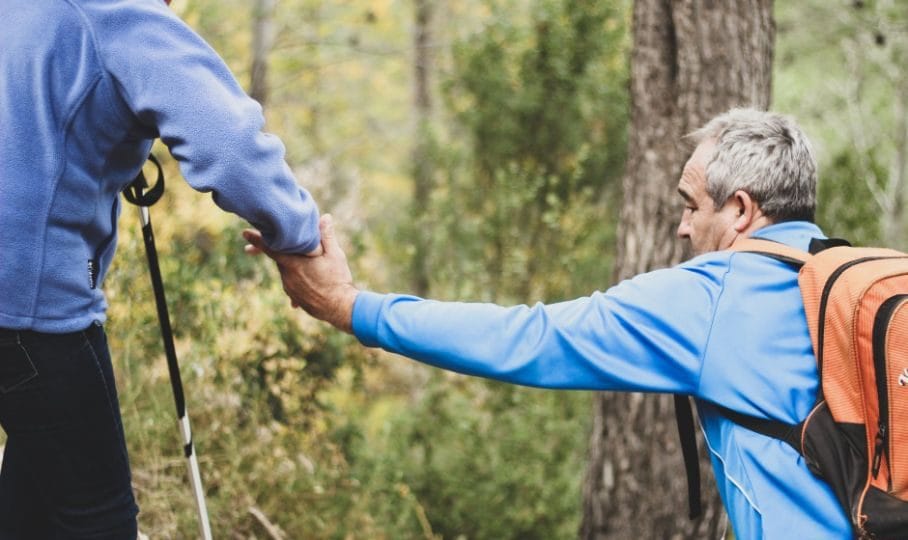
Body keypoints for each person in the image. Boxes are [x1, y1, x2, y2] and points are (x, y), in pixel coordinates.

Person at [245, 108, 854, 538]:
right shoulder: (851, 281)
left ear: (742, 209)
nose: (682, 228)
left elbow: (530, 339)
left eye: (691, 205)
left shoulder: (713, 299)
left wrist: (351, 306)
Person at [0, 0, 322, 537]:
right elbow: (231, 148)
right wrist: (300, 236)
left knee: (37, 483)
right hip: (33, 313)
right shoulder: (119, 13)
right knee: (98, 517)